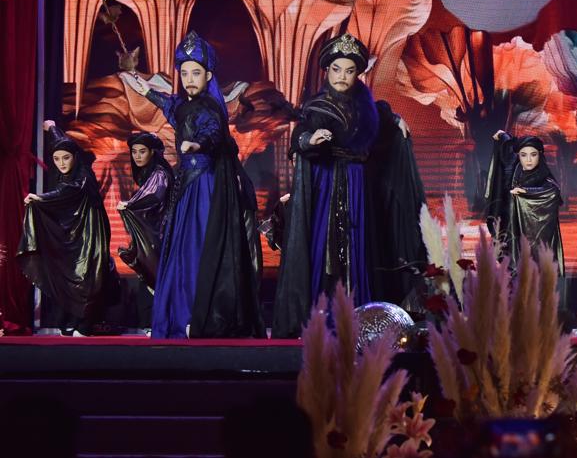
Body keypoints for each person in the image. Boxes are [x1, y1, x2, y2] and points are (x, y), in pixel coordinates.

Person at [273, 33, 426, 338]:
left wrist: (395, 119)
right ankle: (322, 314)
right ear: (326, 71)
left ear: (357, 74)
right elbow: (300, 135)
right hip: (327, 185)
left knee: (358, 246)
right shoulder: (317, 106)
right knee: (326, 246)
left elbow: (379, 118)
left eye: (349, 70)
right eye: (336, 69)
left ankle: (359, 315)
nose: (342, 76)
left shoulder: (365, 107)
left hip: (358, 184)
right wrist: (311, 139)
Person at [120, 30, 264, 338]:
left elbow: (213, 133)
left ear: (208, 75)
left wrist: (197, 145)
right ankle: (183, 314)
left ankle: (200, 314)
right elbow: (169, 105)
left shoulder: (211, 108)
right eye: (184, 73)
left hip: (205, 188)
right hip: (187, 187)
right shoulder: (184, 105)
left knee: (199, 247)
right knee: (182, 251)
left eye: (195, 73)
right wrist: (146, 90)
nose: (189, 79)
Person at [17, 120, 117, 336]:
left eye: (66, 158)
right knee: (72, 271)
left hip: (92, 230)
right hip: (75, 228)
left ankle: (86, 323)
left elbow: (69, 190)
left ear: (75, 157)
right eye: (56, 159)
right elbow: (62, 142)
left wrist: (41, 198)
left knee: (89, 273)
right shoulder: (67, 167)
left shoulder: (83, 175)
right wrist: (52, 128)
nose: (61, 163)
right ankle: (73, 318)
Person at [484, 132, 564, 274]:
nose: (528, 160)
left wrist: (527, 192)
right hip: (511, 229)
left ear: (539, 155)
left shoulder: (543, 176)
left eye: (533, 155)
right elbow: (508, 147)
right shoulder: (513, 168)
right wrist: (502, 136)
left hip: (532, 235)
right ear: (518, 156)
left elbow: (553, 192)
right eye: (523, 155)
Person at [117, 132, 173, 292]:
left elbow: (153, 196)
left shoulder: (159, 173)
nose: (137, 156)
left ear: (152, 152)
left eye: (142, 151)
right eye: (134, 152)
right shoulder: (147, 172)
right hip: (156, 226)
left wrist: (130, 205)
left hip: (162, 228)